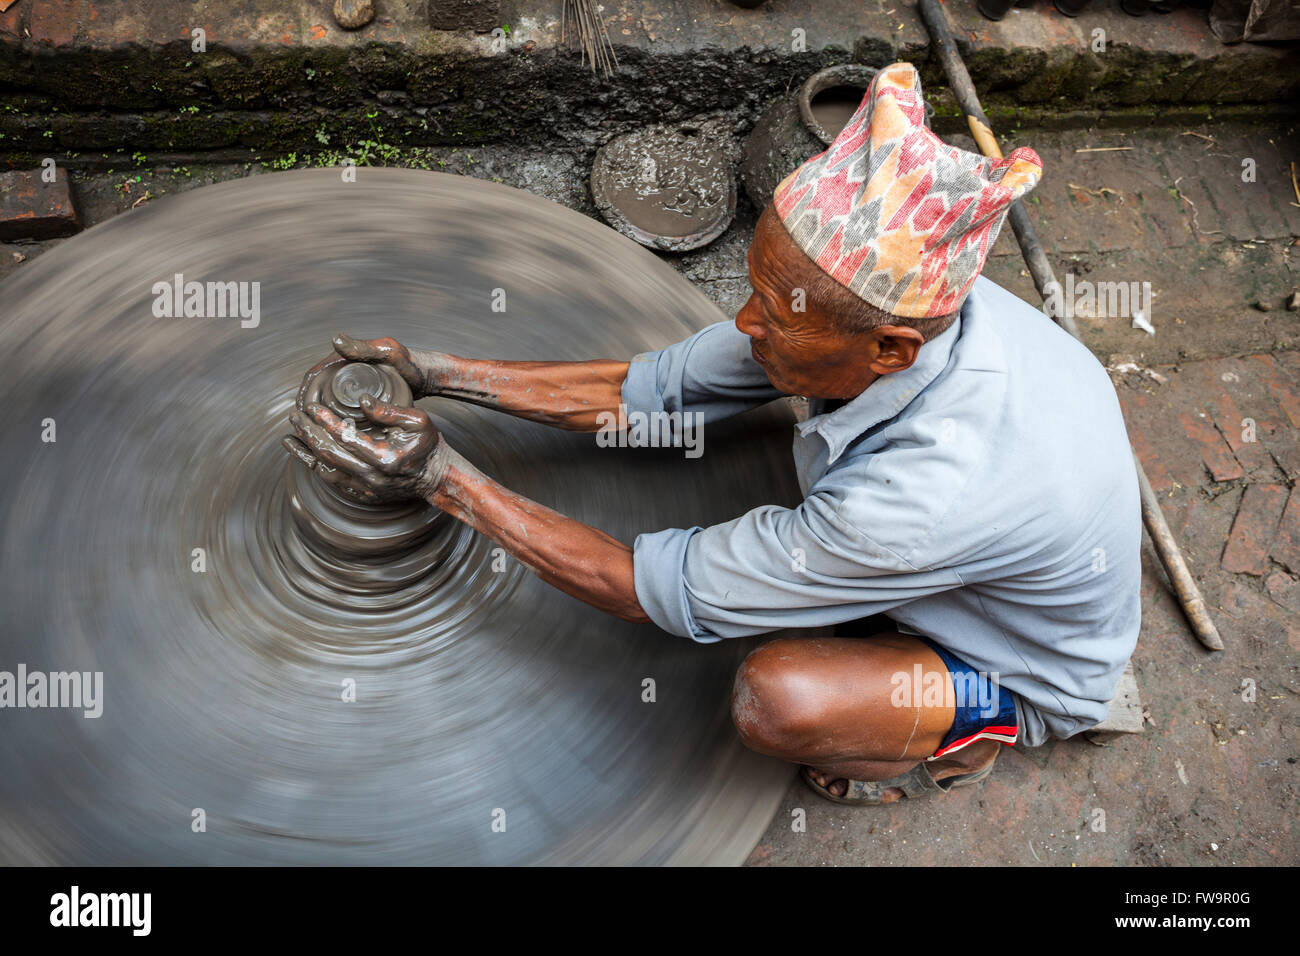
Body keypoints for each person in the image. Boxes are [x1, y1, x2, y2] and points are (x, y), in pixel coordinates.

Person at [285, 62, 1141, 805]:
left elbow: (650, 590)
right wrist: (437, 372)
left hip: (1023, 655)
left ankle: (979, 731)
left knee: (782, 698)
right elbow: (651, 388)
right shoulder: (867, 311)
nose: (744, 322)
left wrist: (441, 481)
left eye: (773, 312)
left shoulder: (917, 498)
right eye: (757, 289)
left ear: (890, 349)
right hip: (993, 532)